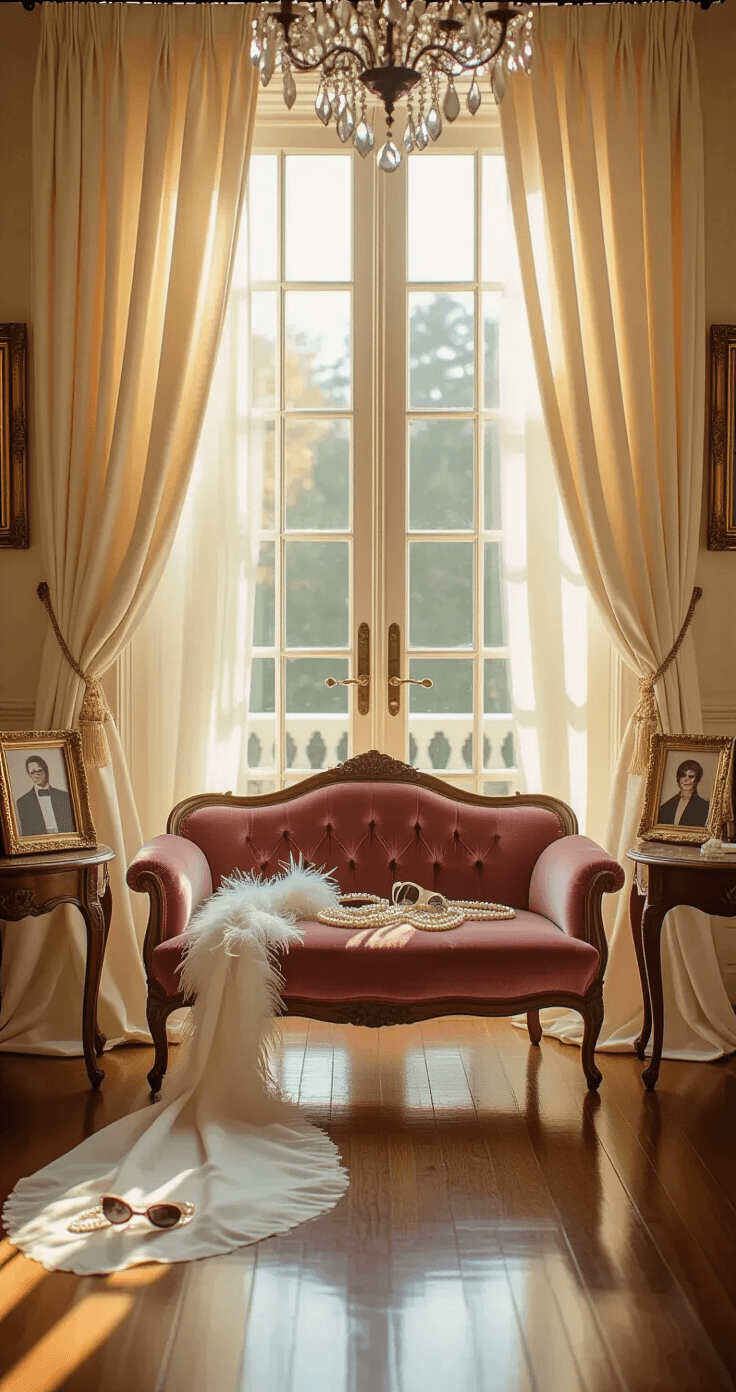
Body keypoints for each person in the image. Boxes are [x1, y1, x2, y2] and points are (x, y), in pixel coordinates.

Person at [15, 754, 75, 836]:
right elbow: (27, 836)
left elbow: (72, 828)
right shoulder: (23, 802)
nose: (36, 775)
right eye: (32, 772)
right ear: (29, 775)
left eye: (39, 771)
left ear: (46, 770)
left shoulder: (64, 797)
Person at [657, 758, 710, 828]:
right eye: (683, 775)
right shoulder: (665, 807)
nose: (685, 779)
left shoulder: (705, 807)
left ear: (697, 779)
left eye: (690, 776)